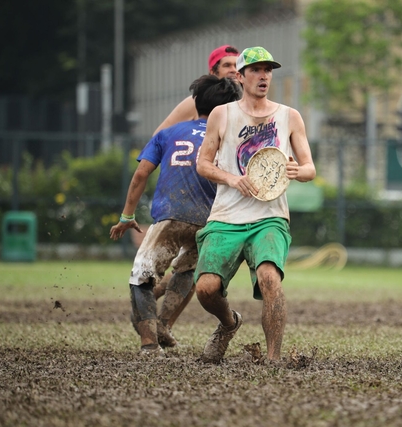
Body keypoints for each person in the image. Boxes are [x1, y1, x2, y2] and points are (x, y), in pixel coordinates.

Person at [194, 46, 316, 363]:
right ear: (241, 76)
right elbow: (203, 164)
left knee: (269, 279)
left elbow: (309, 168)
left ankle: (273, 359)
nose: (263, 76)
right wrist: (233, 179)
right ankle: (228, 323)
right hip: (226, 217)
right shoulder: (223, 115)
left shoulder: (289, 116)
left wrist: (297, 171)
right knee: (206, 289)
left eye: (268, 70)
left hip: (270, 217)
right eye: (256, 70)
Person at [109, 75, 242, 355]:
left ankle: (149, 345)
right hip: (209, 221)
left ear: (196, 102)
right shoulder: (229, 138)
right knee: (188, 271)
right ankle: (164, 324)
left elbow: (141, 174)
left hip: (169, 216)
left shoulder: (168, 133)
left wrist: (126, 216)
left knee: (141, 277)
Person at [152, 45, 240, 136]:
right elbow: (158, 136)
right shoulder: (197, 101)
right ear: (213, 72)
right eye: (227, 65)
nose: (233, 70)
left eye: (236, 66)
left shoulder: (246, 102)